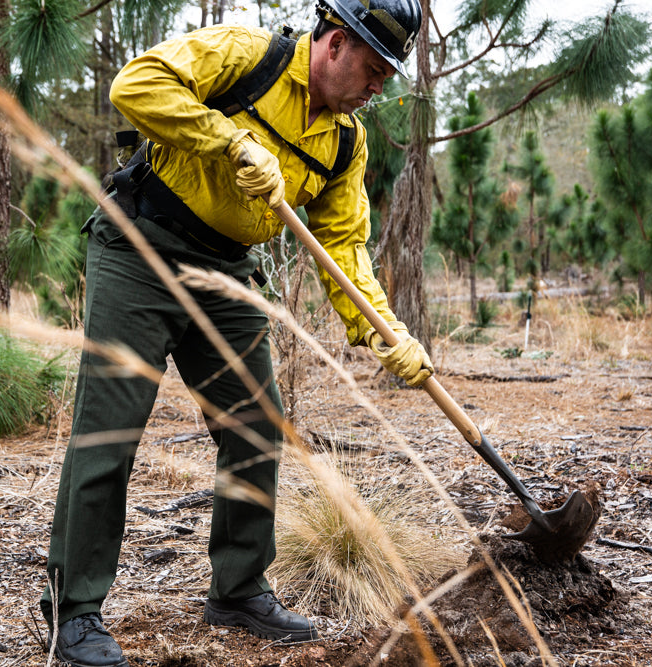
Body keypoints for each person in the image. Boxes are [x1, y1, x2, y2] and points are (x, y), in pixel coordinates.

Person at [41, 1, 429, 665]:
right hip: (140, 246)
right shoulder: (249, 57)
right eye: (372, 68)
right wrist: (229, 139)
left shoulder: (344, 141)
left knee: (256, 422)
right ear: (335, 43)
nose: (378, 86)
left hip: (225, 270)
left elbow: (344, 245)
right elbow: (134, 83)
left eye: (388, 74)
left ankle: (239, 588)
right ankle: (72, 611)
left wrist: (386, 329)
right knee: (110, 426)